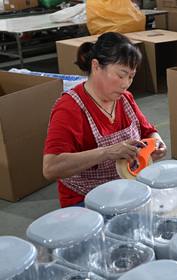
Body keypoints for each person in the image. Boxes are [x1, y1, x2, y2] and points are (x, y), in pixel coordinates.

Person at [43, 32, 168, 207]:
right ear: (96, 66)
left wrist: (157, 143)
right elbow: (50, 168)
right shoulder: (70, 108)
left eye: (131, 77)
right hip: (87, 200)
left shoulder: (125, 99)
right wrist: (107, 152)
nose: (125, 84)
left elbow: (148, 131)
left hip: (127, 188)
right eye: (120, 75)